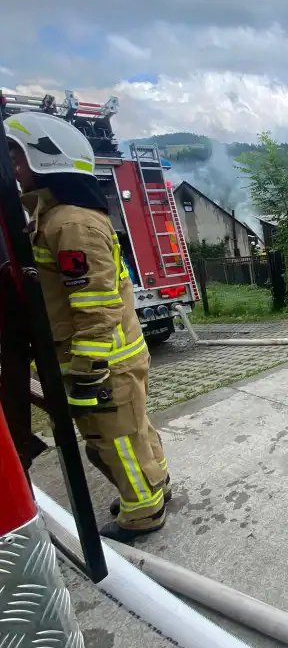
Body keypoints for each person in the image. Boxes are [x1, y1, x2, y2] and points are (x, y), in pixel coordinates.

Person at [5, 111, 170, 541]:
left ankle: (142, 512)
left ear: (46, 161)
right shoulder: (59, 218)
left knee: (112, 441)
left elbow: (94, 299)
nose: (12, 168)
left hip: (101, 359)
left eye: (16, 157)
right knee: (133, 429)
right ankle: (154, 486)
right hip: (111, 353)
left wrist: (88, 364)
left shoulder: (70, 224)